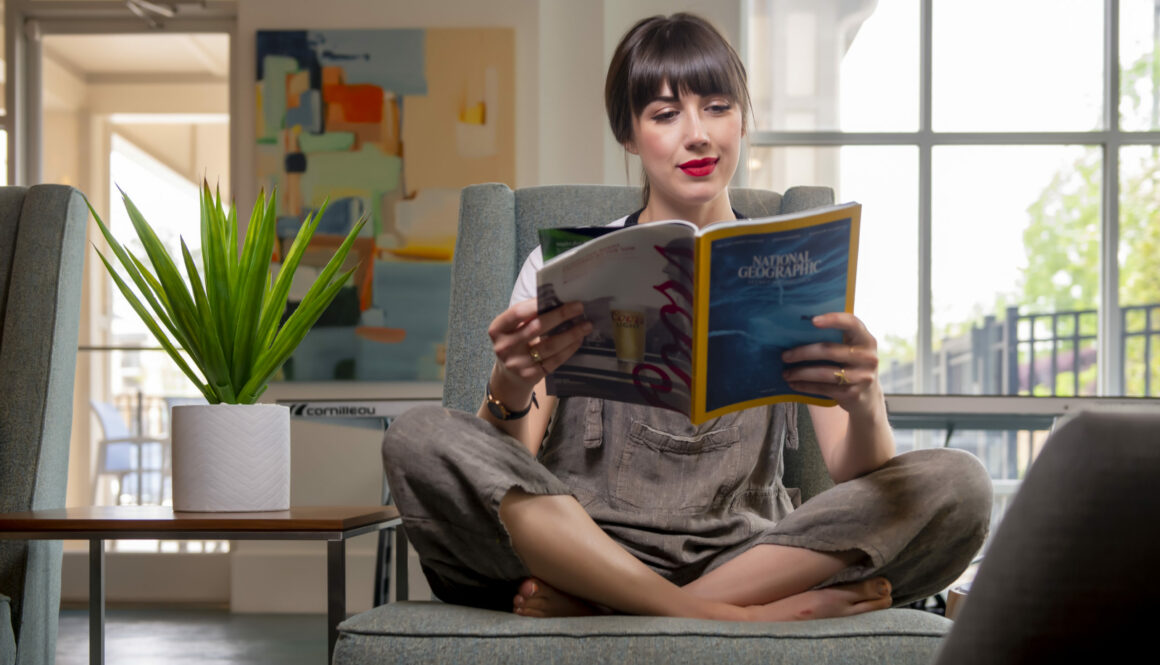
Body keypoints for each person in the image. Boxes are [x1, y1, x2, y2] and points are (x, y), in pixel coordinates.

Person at [383, 12, 992, 622]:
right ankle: (740, 616)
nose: (697, 135)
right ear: (629, 134)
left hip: (752, 551)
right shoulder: (559, 265)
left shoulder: (793, 267)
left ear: (743, 119)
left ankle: (618, 608)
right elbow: (514, 461)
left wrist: (864, 400)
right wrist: (509, 385)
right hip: (584, 541)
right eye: (665, 114)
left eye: (717, 106)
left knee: (958, 483)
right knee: (418, 436)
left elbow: (853, 472)